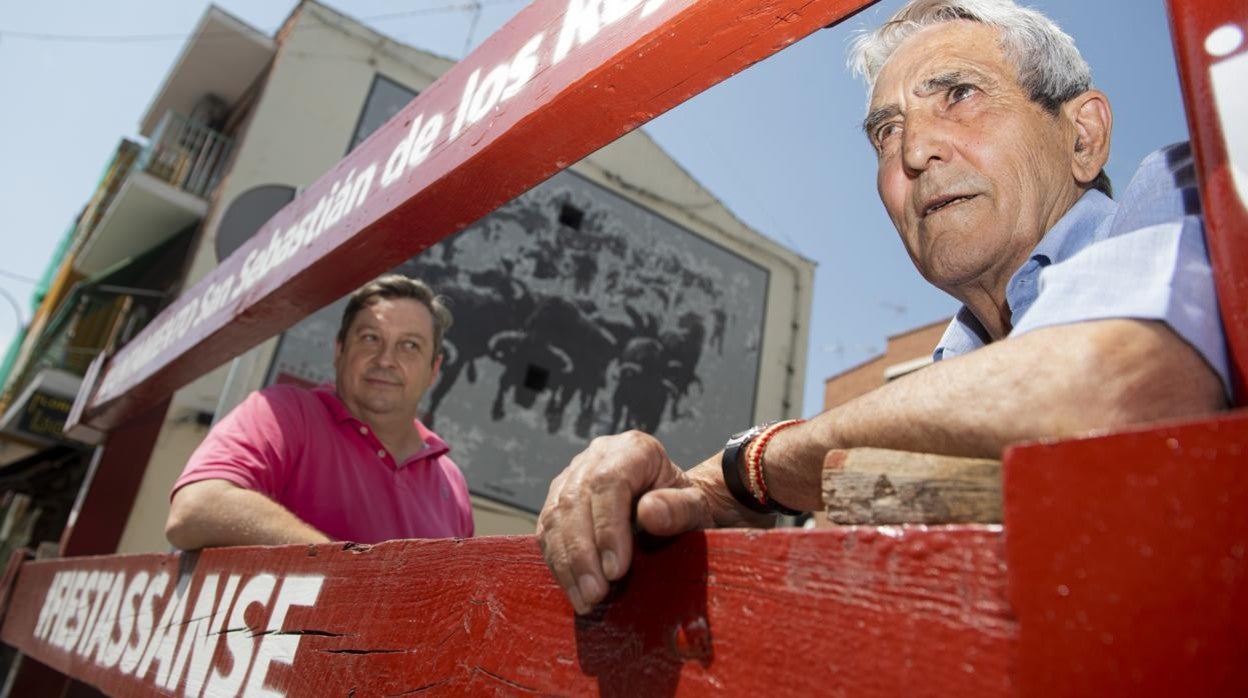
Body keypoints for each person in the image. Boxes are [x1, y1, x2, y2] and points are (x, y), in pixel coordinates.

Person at [536, 0, 1231, 615]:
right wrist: (658, 500)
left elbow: (1104, 388)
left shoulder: (1186, 194)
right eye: (885, 132)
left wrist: (744, 470)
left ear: (1082, 136)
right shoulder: (942, 377)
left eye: (959, 94)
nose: (916, 151)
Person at [165, 274, 473, 549]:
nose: (385, 359)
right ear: (339, 351)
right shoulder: (285, 414)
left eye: (410, 346)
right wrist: (345, 573)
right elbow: (196, 506)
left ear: (434, 369)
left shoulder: (452, 482)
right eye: (370, 338)